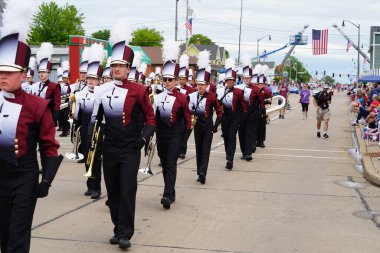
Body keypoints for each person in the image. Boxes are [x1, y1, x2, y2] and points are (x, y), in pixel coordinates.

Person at [0, 2, 62, 251]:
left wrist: (46, 180)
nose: (3, 76)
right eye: (0, 70)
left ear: (24, 74)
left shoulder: (37, 105)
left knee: (17, 238)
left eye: (10, 71)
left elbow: (49, 145)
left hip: (24, 177)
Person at [91, 18, 156, 249]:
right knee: (114, 192)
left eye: (121, 66)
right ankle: (117, 228)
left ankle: (126, 233)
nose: (116, 69)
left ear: (128, 68)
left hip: (130, 148)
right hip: (109, 148)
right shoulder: (102, 90)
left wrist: (143, 139)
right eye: (113, 66)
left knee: (128, 190)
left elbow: (150, 118)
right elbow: (95, 118)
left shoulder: (139, 90)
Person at [153, 40, 191, 209]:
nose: (167, 82)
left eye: (170, 79)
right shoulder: (157, 97)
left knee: (171, 163)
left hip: (175, 133)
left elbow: (188, 120)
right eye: (165, 79)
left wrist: (183, 140)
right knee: (164, 162)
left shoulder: (182, 97)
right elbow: (152, 117)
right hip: (161, 134)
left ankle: (167, 194)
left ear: (176, 81)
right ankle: (171, 190)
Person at [73, 43, 104, 199]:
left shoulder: (103, 93)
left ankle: (97, 187)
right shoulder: (79, 94)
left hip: (97, 129)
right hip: (85, 129)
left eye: (94, 78)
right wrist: (75, 129)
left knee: (96, 158)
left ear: (99, 80)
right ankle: (89, 185)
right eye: (89, 78)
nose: (91, 81)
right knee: (86, 157)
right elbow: (77, 114)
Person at [189, 50, 222, 184]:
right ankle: (199, 171)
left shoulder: (212, 96)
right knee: (198, 148)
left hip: (208, 123)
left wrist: (216, 125)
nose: (200, 87)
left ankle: (203, 172)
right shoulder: (192, 95)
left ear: (207, 85)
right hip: (197, 123)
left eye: (202, 85)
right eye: (198, 85)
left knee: (206, 149)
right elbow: (188, 109)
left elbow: (220, 111)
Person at [215, 58, 246, 170]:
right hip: (225, 117)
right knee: (226, 138)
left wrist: (241, 119)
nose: (229, 82)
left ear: (234, 81)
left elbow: (243, 106)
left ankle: (230, 159)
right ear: (225, 81)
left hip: (235, 117)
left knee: (232, 137)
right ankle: (228, 155)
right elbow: (218, 104)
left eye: (231, 80)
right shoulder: (221, 91)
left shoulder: (238, 91)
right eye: (228, 80)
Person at [236, 56, 260, 161]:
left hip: (251, 115)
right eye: (246, 78)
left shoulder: (256, 89)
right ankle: (244, 152)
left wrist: (258, 114)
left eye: (249, 78)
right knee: (241, 134)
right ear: (243, 79)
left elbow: (260, 103)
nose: (248, 80)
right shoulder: (238, 88)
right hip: (241, 115)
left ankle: (249, 153)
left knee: (249, 134)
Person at [31, 42, 61, 126]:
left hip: (48, 116)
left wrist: (54, 119)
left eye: (44, 72)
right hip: (35, 116)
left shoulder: (54, 86)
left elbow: (57, 104)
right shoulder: (34, 86)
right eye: (40, 72)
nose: (41, 74)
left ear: (49, 73)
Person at [177, 54, 195, 159]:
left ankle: (183, 151)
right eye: (180, 79)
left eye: (183, 79)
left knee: (185, 133)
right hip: (178, 113)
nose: (181, 81)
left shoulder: (191, 89)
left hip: (187, 113)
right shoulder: (176, 89)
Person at [256, 65, 273, 148]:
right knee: (255, 126)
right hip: (255, 110)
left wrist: (264, 103)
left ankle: (261, 141)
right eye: (259, 83)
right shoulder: (255, 89)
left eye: (262, 83)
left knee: (262, 126)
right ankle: (256, 140)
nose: (260, 85)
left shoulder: (267, 90)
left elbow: (270, 100)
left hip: (263, 109)